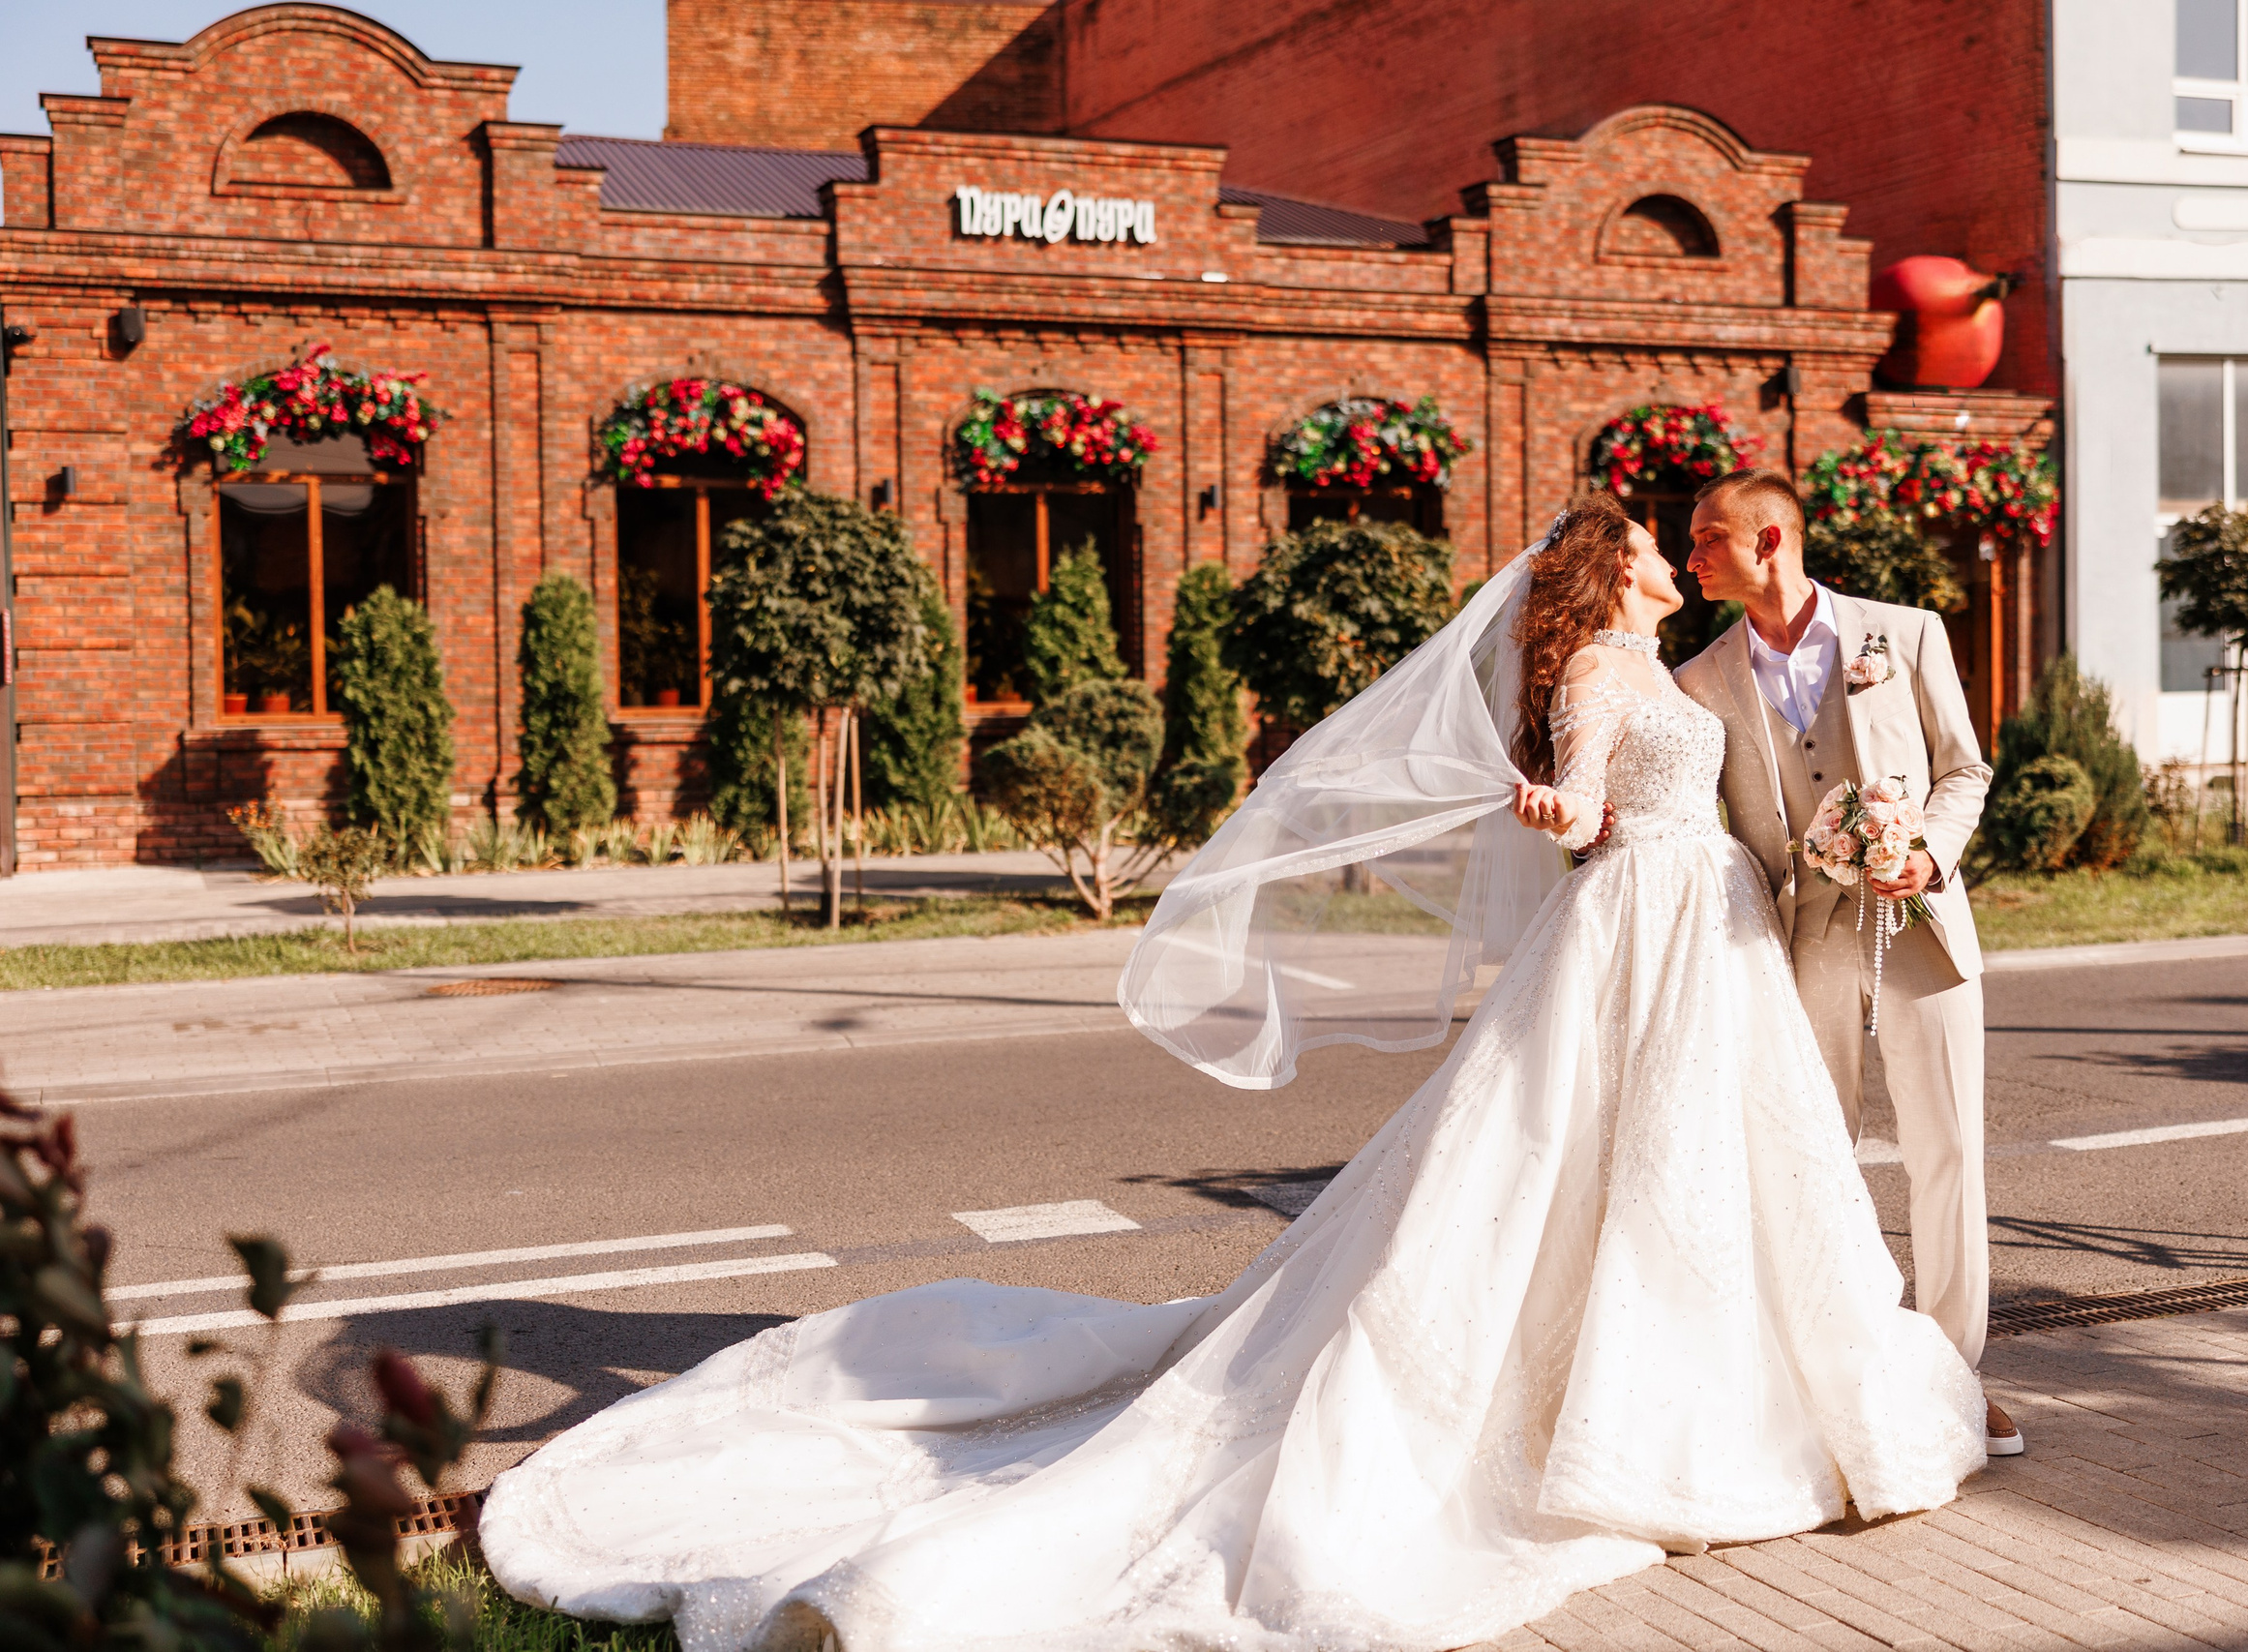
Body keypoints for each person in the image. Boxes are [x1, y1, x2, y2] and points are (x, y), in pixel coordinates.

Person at [479, 490, 1987, 1652]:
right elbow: (1586, 806)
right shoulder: (1603, 665)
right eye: (1658, 545)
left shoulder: (1681, 660)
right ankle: (1637, 1422)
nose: (1676, 555)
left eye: (1688, 542)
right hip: (1641, 930)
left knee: (1708, 1183)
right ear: (1616, 574)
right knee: (1583, 1172)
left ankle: (1756, 1397)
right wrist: (1545, 804)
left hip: (1708, 938)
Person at [1672, 466, 2021, 1456]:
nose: (1692, 555)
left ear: (1769, 541)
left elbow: (1963, 770)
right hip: (1804, 941)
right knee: (1818, 1163)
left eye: (1707, 538)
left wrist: (1927, 852)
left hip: (1921, 924)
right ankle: (1851, 1372)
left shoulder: (1903, 634)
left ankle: (1954, 1377)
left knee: (1947, 1153)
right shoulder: (1701, 679)